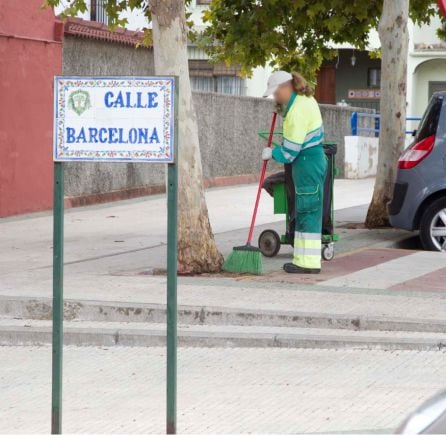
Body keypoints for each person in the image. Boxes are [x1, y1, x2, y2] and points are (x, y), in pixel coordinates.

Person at [262, 71, 327, 274]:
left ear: (285, 87)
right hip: (309, 162)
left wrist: (272, 152)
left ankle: (307, 263)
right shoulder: (303, 102)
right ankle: (302, 259)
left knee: (307, 210)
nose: (275, 97)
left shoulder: (298, 110)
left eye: (276, 93)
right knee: (305, 210)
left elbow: (291, 151)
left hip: (306, 162)